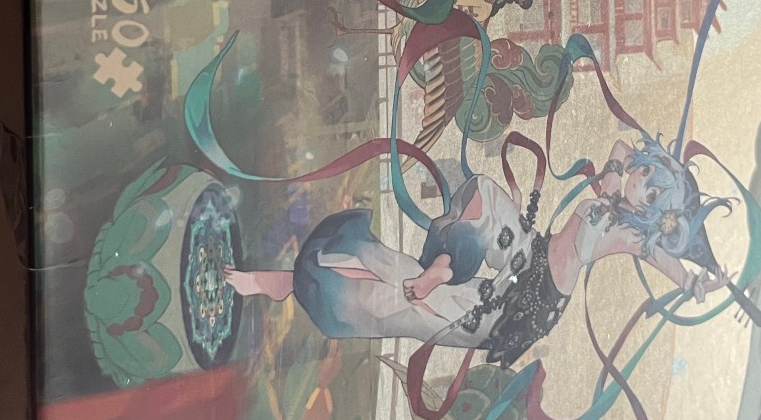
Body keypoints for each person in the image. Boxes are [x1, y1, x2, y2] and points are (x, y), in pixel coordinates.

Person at [226, 136, 729, 368]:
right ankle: (448, 264)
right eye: (647, 171)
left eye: (651, 189)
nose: (640, 179)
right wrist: (625, 173)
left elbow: (658, 256)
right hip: (527, 254)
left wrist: (691, 281)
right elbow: (619, 146)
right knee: (484, 194)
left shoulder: (628, 232)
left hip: (523, 308)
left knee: (409, 303)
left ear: (654, 213)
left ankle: (285, 284)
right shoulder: (616, 191)